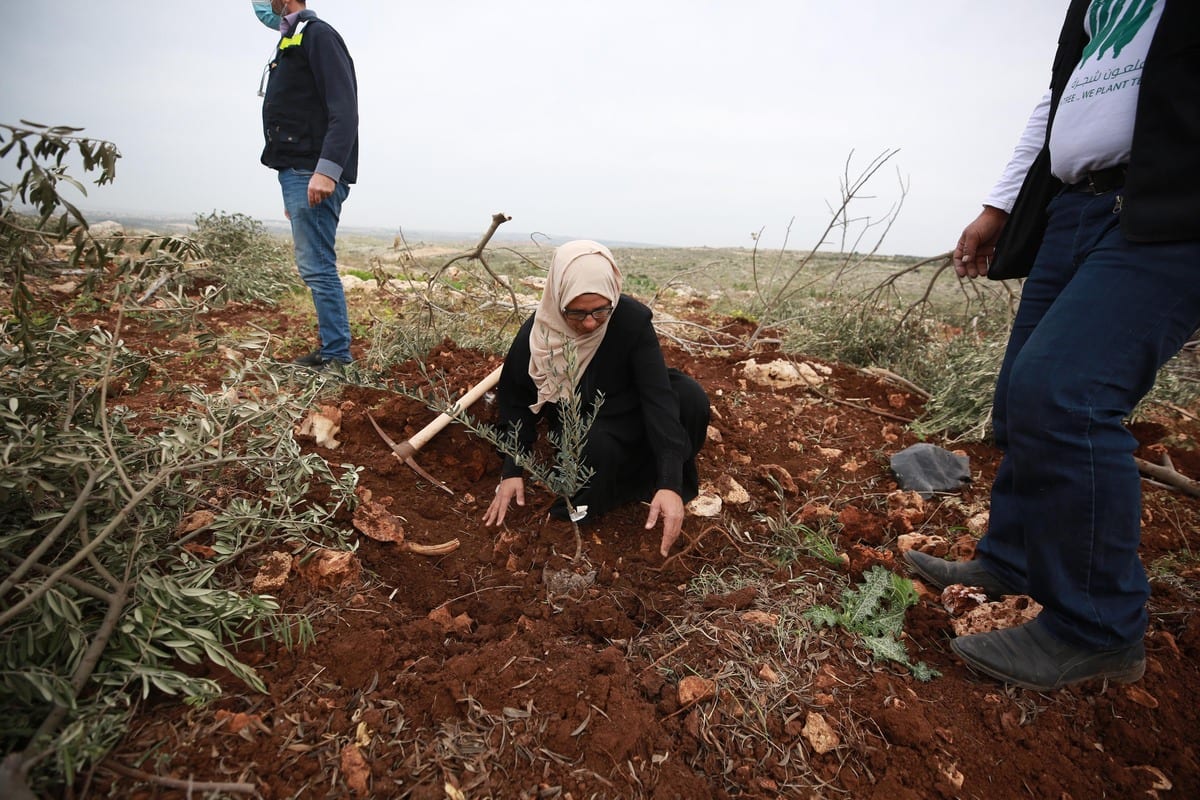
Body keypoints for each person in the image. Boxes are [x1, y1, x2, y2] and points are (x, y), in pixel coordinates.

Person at [904, 0, 1200, 691]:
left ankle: (1097, 629)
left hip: (1166, 207)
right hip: (1075, 203)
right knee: (1020, 396)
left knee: (1065, 394)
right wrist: (1000, 205)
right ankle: (1012, 558)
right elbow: (1058, 97)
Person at [482, 240, 710, 558]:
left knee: (690, 398)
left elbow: (657, 396)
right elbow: (518, 404)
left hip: (633, 406)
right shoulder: (538, 337)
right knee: (593, 447)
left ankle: (659, 486)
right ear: (559, 299)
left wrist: (670, 481)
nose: (590, 323)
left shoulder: (631, 320)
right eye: (577, 313)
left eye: (601, 310)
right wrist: (512, 471)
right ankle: (588, 508)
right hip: (587, 421)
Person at [255, 0, 359, 369]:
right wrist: (292, 189)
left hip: (312, 169)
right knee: (314, 264)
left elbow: (344, 109)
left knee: (317, 265)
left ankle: (336, 356)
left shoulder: (319, 36)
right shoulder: (293, 40)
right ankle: (332, 348)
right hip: (298, 172)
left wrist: (327, 171)